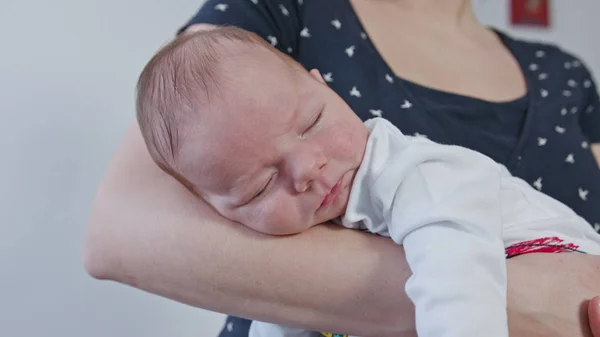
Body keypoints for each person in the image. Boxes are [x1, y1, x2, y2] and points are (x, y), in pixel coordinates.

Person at [83, 1, 600, 336]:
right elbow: (119, 235)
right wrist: (522, 302)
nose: (307, 169)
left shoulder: (561, 78)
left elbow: (455, 251)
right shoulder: (281, 12)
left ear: (325, 86)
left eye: (312, 123)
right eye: (259, 184)